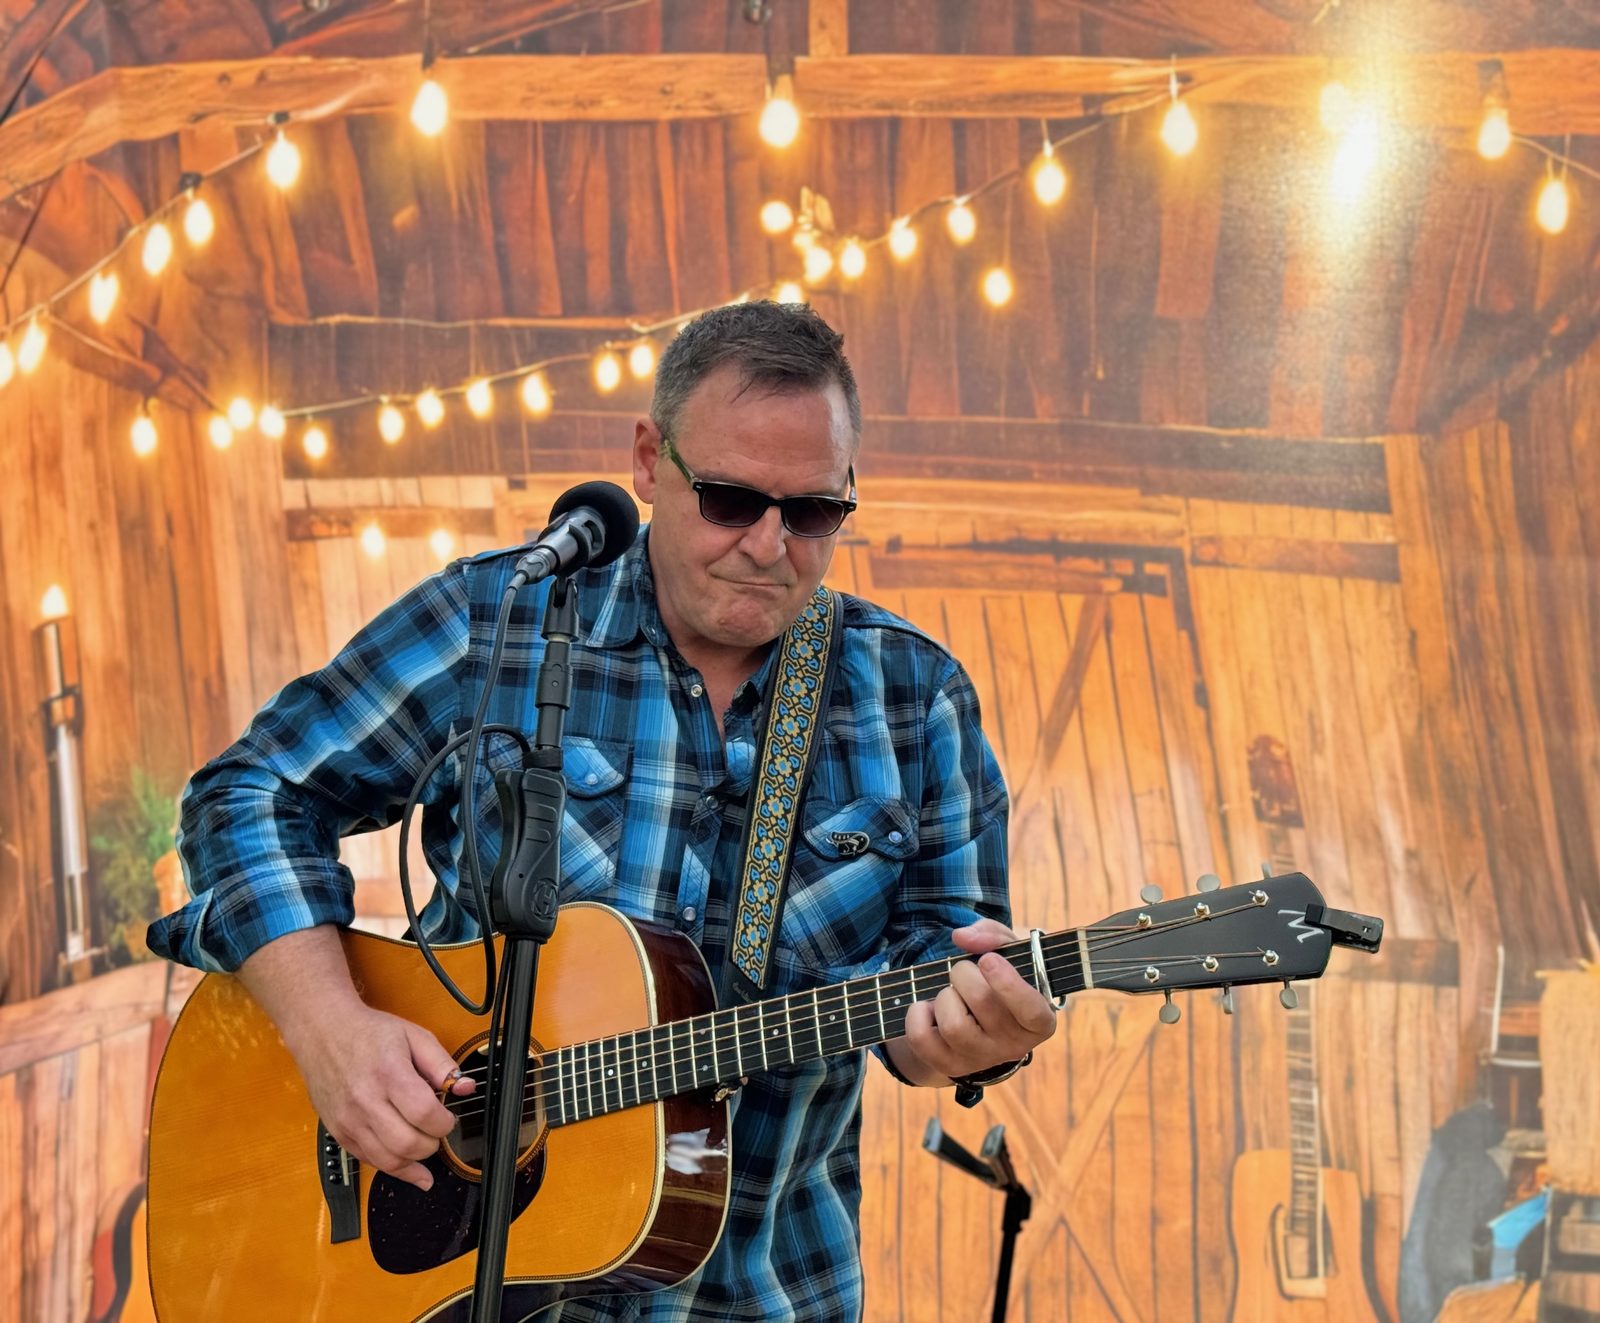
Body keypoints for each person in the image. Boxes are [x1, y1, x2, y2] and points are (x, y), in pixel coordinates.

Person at [148, 300, 1056, 1320]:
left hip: (760, 1288)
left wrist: (971, 1038)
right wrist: (330, 1030)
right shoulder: (499, 622)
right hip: (454, 1285)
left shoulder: (912, 696)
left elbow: (942, 974)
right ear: (646, 462)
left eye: (810, 513)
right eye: (727, 499)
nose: (768, 546)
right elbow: (253, 792)